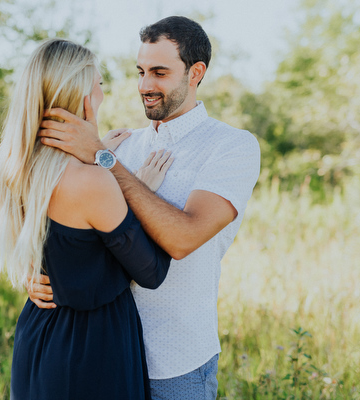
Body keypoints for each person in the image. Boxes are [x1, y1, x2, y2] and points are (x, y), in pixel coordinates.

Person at [32, 16, 261, 399]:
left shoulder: (231, 146)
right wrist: (35, 274)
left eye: (159, 72)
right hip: (106, 354)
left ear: (195, 72)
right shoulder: (120, 144)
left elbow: (183, 238)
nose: (144, 86)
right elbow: (65, 228)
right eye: (140, 71)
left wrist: (104, 160)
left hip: (175, 363)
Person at [0, 38, 173, 400]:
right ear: (84, 96)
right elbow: (151, 272)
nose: (104, 93)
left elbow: (69, 250)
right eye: (100, 84)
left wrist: (97, 153)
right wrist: (139, 189)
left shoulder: (15, 164)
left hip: (38, 335)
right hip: (91, 347)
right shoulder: (92, 181)